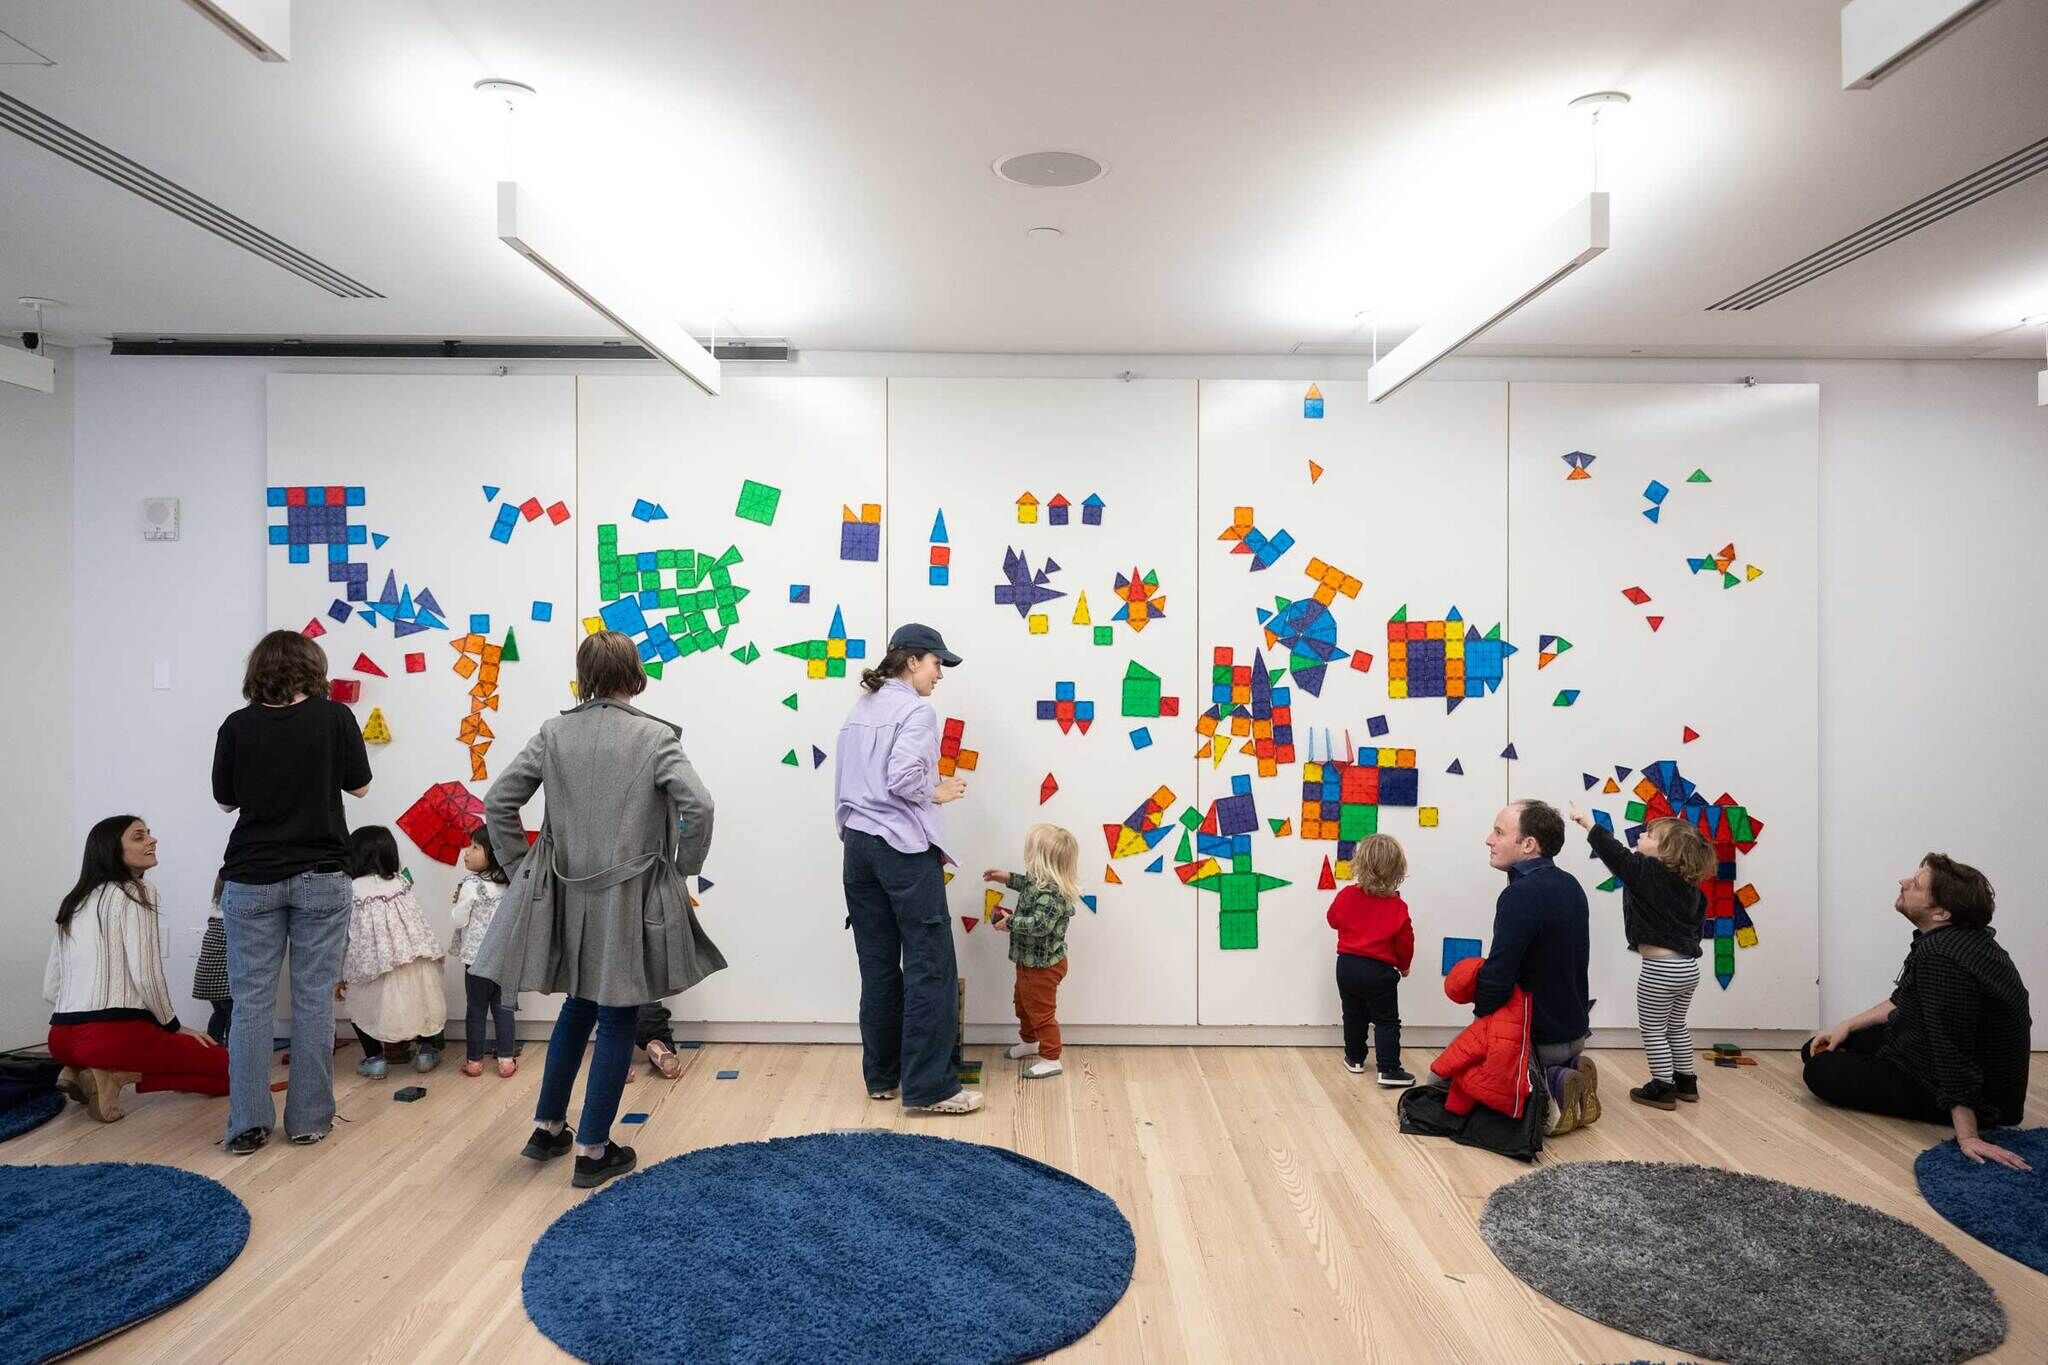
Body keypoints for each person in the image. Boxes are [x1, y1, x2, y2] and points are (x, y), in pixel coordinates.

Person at [473, 631, 722, 1190]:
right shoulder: (654, 737)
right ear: (634, 674)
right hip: (629, 894)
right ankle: (592, 1150)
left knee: (578, 1006)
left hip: (565, 892)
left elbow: (498, 802)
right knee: (616, 1013)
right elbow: (700, 806)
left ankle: (547, 1130)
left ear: (584, 676)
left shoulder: (553, 733)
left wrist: (521, 866)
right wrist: (682, 866)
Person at [212, 629, 371, 1155]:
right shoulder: (335, 717)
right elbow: (360, 786)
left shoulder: (237, 725)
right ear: (313, 668)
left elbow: (225, 802)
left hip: (250, 876)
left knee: (251, 1003)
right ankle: (308, 1120)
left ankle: (247, 1124)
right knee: (313, 1000)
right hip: (322, 874)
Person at [834, 623, 982, 1115]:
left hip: (858, 848)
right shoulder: (918, 711)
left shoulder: (860, 709)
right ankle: (931, 1088)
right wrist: (935, 792)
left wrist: (855, 831)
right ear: (913, 661)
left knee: (878, 967)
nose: (940, 674)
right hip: (901, 849)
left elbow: (844, 783)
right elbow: (902, 778)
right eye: (937, 663)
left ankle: (882, 1077)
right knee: (930, 965)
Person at [1803, 854, 2032, 1171]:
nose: (1904, 882)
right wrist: (1846, 1025)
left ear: (1941, 913)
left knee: (1820, 1070)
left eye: (1917, 884)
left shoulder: (1942, 957)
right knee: (1817, 1046)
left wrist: (1968, 1136)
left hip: (1982, 1098)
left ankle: (1965, 1116)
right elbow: (1905, 999)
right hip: (1930, 1049)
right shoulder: (1956, 939)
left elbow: (1952, 1046)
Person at [45, 816, 229, 1121]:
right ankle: (116, 1076)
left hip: (59, 1038)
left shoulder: (74, 901)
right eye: (139, 836)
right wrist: (173, 1025)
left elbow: (51, 985)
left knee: (149, 1049)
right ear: (112, 850)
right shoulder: (137, 891)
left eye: (149, 834)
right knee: (230, 1071)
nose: (152, 840)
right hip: (109, 1037)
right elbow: (146, 974)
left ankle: (81, 1068)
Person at [1569, 805, 1713, 1111]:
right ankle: (1686, 1081)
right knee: (1676, 1026)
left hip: (1660, 970)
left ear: (1666, 851)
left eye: (1649, 835)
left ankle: (1662, 1086)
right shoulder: (1692, 888)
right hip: (1688, 969)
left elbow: (1616, 854)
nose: (1641, 837)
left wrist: (1589, 825)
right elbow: (1697, 929)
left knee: (1653, 1029)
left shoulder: (1647, 872)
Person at [1473, 800, 1598, 1134]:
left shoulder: (1520, 895)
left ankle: (1552, 1084)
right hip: (1574, 1031)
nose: (1489, 840)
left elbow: (1499, 972)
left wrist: (1482, 1026)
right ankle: (1569, 1068)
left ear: (1528, 844)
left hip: (1539, 1039)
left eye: (1499, 832)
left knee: (1450, 1079)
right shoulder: (1570, 884)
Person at [339, 827, 447, 1079]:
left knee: (363, 1007)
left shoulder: (350, 890)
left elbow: (344, 938)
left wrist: (339, 974)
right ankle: (425, 1052)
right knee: (422, 1002)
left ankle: (375, 1058)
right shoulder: (401, 883)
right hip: (414, 956)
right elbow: (419, 919)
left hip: (372, 965)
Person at [985, 823, 1081, 1080]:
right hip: (1028, 962)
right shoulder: (1039, 882)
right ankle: (1030, 1042)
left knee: (1041, 1013)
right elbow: (1027, 884)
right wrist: (1007, 878)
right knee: (1023, 1005)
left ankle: (1051, 1058)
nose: (1026, 854)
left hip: (1043, 967)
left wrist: (1010, 923)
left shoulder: (1052, 895)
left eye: (1030, 851)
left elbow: (1039, 925)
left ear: (1042, 860)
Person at [1325, 832, 1416, 1087]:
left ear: (1359, 864)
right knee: (1386, 1020)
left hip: (1346, 966)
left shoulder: (1346, 895)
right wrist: (1404, 966)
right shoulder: (1397, 906)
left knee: (1353, 1014)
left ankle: (1354, 1058)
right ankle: (1388, 1068)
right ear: (1397, 870)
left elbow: (1332, 920)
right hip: (1378, 971)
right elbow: (1405, 942)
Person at [1430, 955, 1534, 1121]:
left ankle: (1453, 1113)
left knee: (1463, 1076)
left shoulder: (1488, 1018)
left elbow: (1463, 1049)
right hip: (1537, 1051)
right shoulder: (1518, 993)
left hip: (1500, 1088)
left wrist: (1438, 1069)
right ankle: (1558, 1076)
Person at [450, 826, 518, 1078]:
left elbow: (459, 920)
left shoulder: (470, 884)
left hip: (477, 961)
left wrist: (456, 904)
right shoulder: (512, 884)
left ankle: (474, 1061)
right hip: (505, 959)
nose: (467, 852)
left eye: (475, 847)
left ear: (494, 853)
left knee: (476, 1009)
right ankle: (506, 1060)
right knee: (504, 1009)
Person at [191, 872, 234, 1046]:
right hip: (224, 980)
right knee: (234, 1015)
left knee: (219, 1013)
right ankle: (233, 1051)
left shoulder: (215, 911)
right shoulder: (231, 914)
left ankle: (211, 1048)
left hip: (208, 978)